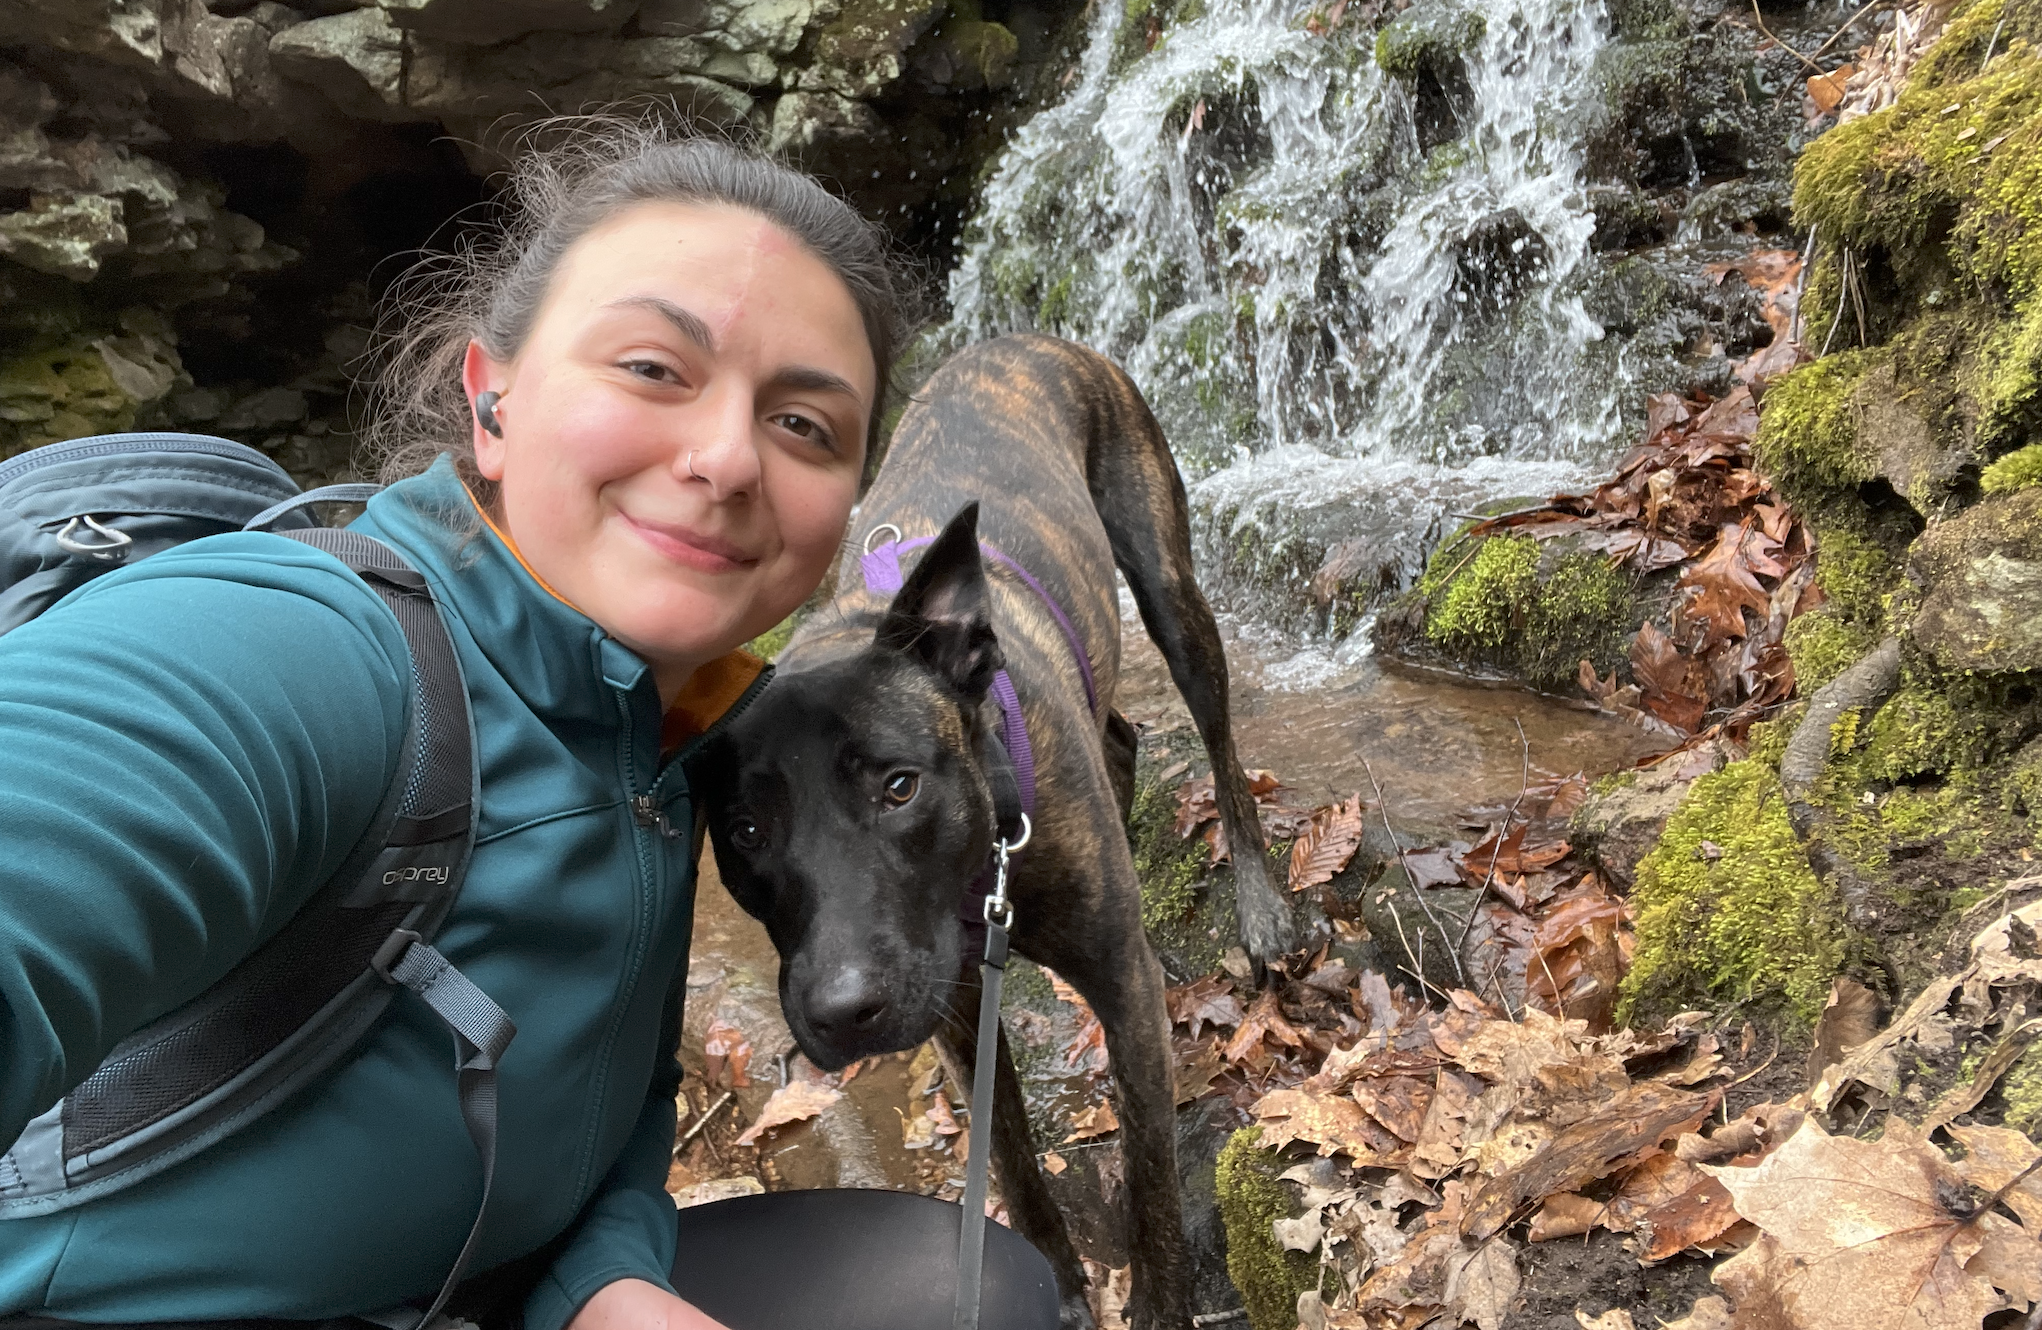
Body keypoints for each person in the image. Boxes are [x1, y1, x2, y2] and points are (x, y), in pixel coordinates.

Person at [0, 123, 1014, 1330]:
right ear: (491, 401)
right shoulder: (299, 649)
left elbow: (600, 1115)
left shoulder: (679, 735)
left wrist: (605, 1285)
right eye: (651, 367)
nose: (726, 456)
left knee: (964, 1292)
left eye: (804, 425)